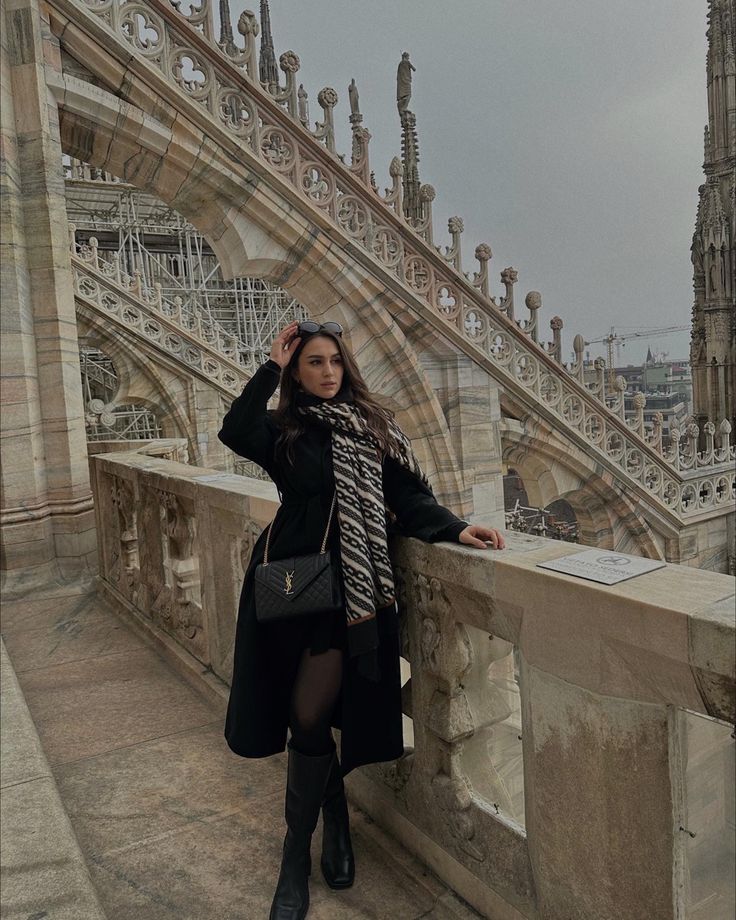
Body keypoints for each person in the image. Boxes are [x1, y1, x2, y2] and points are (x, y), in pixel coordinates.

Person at [218, 320, 505, 920]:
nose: (327, 373)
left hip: (349, 594)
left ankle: (303, 848)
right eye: (313, 363)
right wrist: (269, 367)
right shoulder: (284, 429)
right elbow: (234, 430)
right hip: (289, 584)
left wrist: (455, 528)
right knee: (306, 718)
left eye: (334, 363)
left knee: (311, 712)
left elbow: (407, 497)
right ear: (297, 373)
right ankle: (319, 834)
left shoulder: (372, 428)